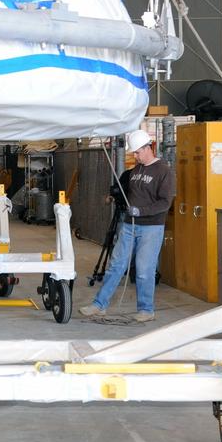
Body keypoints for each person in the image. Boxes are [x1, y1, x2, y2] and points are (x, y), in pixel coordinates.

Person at [80, 129, 175, 322]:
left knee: (143, 270)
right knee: (116, 265)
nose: (135, 155)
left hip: (151, 227)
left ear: (148, 148)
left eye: (138, 152)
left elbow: (165, 202)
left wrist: (142, 211)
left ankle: (146, 310)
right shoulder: (136, 170)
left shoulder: (164, 171)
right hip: (130, 225)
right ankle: (99, 305)